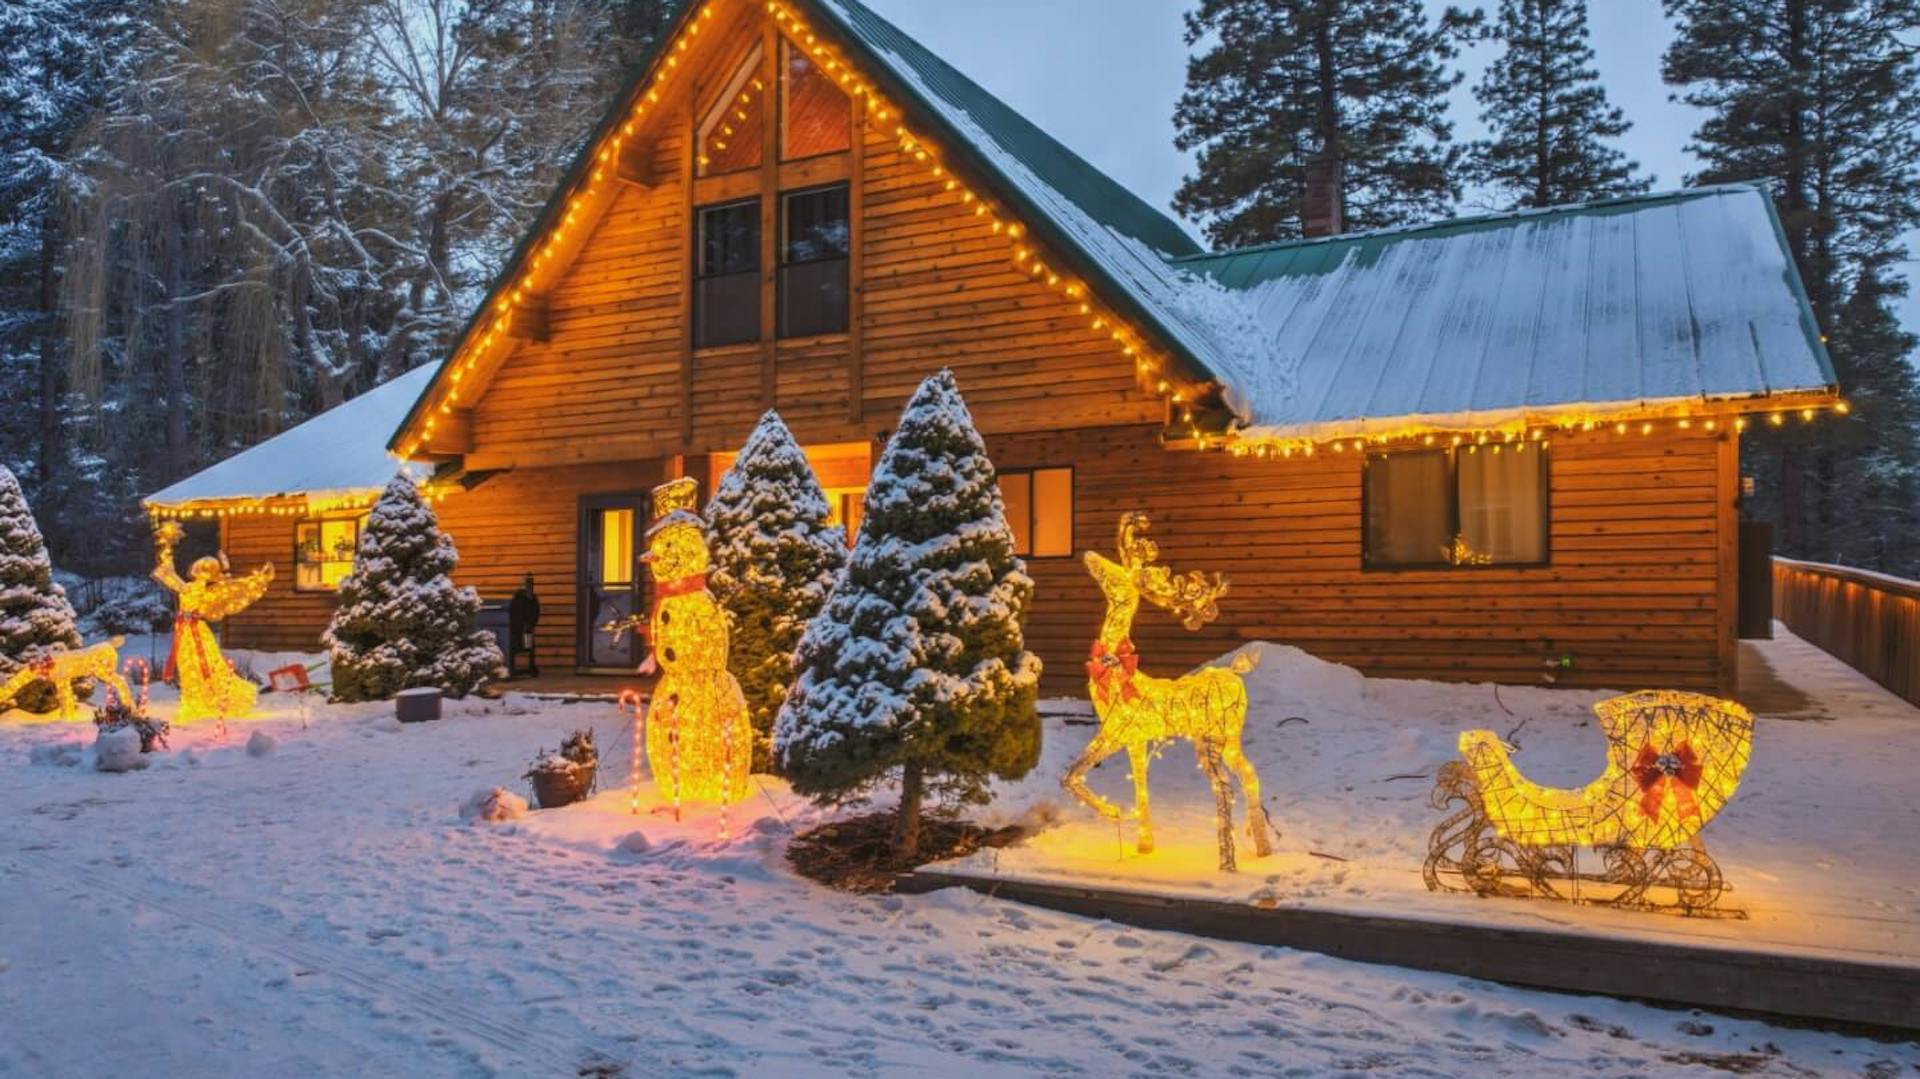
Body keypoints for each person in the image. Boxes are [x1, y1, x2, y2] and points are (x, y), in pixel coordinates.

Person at [152, 520, 273, 723]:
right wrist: (167, 546)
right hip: (188, 633)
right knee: (195, 666)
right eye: (200, 567)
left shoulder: (197, 589)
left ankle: (202, 700)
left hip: (193, 634)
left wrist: (167, 548)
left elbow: (169, 576)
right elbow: (169, 575)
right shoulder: (197, 587)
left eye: (203, 568)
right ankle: (197, 700)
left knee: (203, 666)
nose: (198, 570)